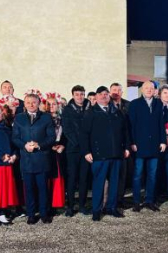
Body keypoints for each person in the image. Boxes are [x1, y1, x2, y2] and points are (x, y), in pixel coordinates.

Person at [80, 86, 130, 221]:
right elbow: (84, 134)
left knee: (115, 183)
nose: (103, 96)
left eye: (106, 94)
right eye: (100, 94)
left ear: (109, 96)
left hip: (116, 154)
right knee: (98, 183)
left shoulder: (118, 112)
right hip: (99, 155)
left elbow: (125, 132)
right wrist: (86, 151)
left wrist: (126, 147)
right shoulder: (90, 113)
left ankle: (112, 208)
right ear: (96, 97)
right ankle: (96, 210)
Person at [12, 93, 55, 224]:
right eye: (28, 102)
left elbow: (51, 137)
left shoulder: (46, 118)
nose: (31, 104)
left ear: (38, 103)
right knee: (29, 188)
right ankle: (31, 214)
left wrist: (39, 145)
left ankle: (44, 213)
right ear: (24, 104)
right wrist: (24, 145)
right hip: (26, 159)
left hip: (41, 158)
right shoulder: (19, 118)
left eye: (34, 102)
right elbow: (15, 138)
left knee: (42, 188)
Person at [128, 81, 167, 212]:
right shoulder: (134, 104)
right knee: (138, 174)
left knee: (152, 174)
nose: (149, 90)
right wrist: (132, 142)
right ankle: (136, 202)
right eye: (146, 88)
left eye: (151, 88)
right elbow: (131, 126)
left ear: (155, 90)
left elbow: (162, 124)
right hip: (139, 146)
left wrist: (163, 141)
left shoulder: (159, 103)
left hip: (155, 145)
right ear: (142, 90)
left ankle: (150, 200)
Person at [61, 85, 91, 217]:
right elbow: (67, 130)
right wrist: (79, 144)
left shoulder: (89, 108)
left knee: (84, 178)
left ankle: (83, 205)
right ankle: (70, 206)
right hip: (73, 149)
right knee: (72, 178)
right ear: (73, 95)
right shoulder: (67, 110)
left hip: (86, 151)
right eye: (77, 94)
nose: (80, 97)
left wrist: (86, 147)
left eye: (82, 94)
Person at [45, 93, 67, 212]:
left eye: (54, 104)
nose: (51, 106)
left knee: (58, 177)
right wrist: (50, 146)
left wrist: (62, 144)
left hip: (59, 150)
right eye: (48, 104)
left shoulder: (62, 118)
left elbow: (66, 134)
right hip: (47, 150)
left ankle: (56, 203)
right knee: (47, 178)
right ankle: (47, 204)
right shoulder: (42, 118)